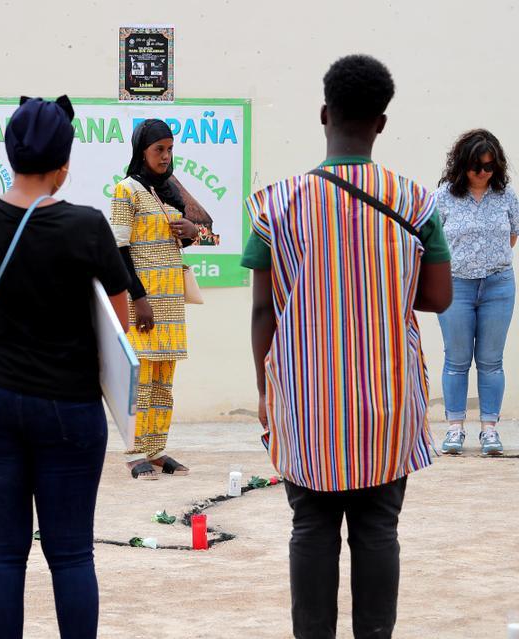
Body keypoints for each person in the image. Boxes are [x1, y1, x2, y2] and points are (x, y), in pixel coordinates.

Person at [243, 55, 452, 639]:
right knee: (378, 530)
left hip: (306, 398)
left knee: (310, 529)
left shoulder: (275, 204)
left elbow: (262, 310)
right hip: (386, 398)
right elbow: (438, 297)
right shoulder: (415, 203)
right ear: (381, 124)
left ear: (323, 114)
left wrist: (264, 390)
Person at [0, 95, 131, 639]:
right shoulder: (88, 226)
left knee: (3, 554)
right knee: (71, 554)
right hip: (69, 406)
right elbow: (116, 328)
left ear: (9, 154)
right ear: (63, 164)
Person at [110, 118, 199, 480]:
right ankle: (135, 453)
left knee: (164, 381)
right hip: (143, 301)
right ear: (141, 151)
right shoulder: (126, 190)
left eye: (170, 149)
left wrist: (192, 233)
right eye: (158, 149)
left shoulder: (170, 191)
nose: (165, 156)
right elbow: (118, 250)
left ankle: (157, 449)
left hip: (171, 301)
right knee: (141, 382)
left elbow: (181, 237)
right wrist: (138, 298)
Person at [433, 129, 518, 456]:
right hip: (456, 286)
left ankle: (489, 430)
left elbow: (513, 234)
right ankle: (455, 428)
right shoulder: (443, 197)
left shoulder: (506, 195)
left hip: (498, 285)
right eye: (476, 166)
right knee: (456, 360)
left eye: (489, 166)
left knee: (491, 361)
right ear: (462, 165)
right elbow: (431, 239)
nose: (483, 172)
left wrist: (490, 259)